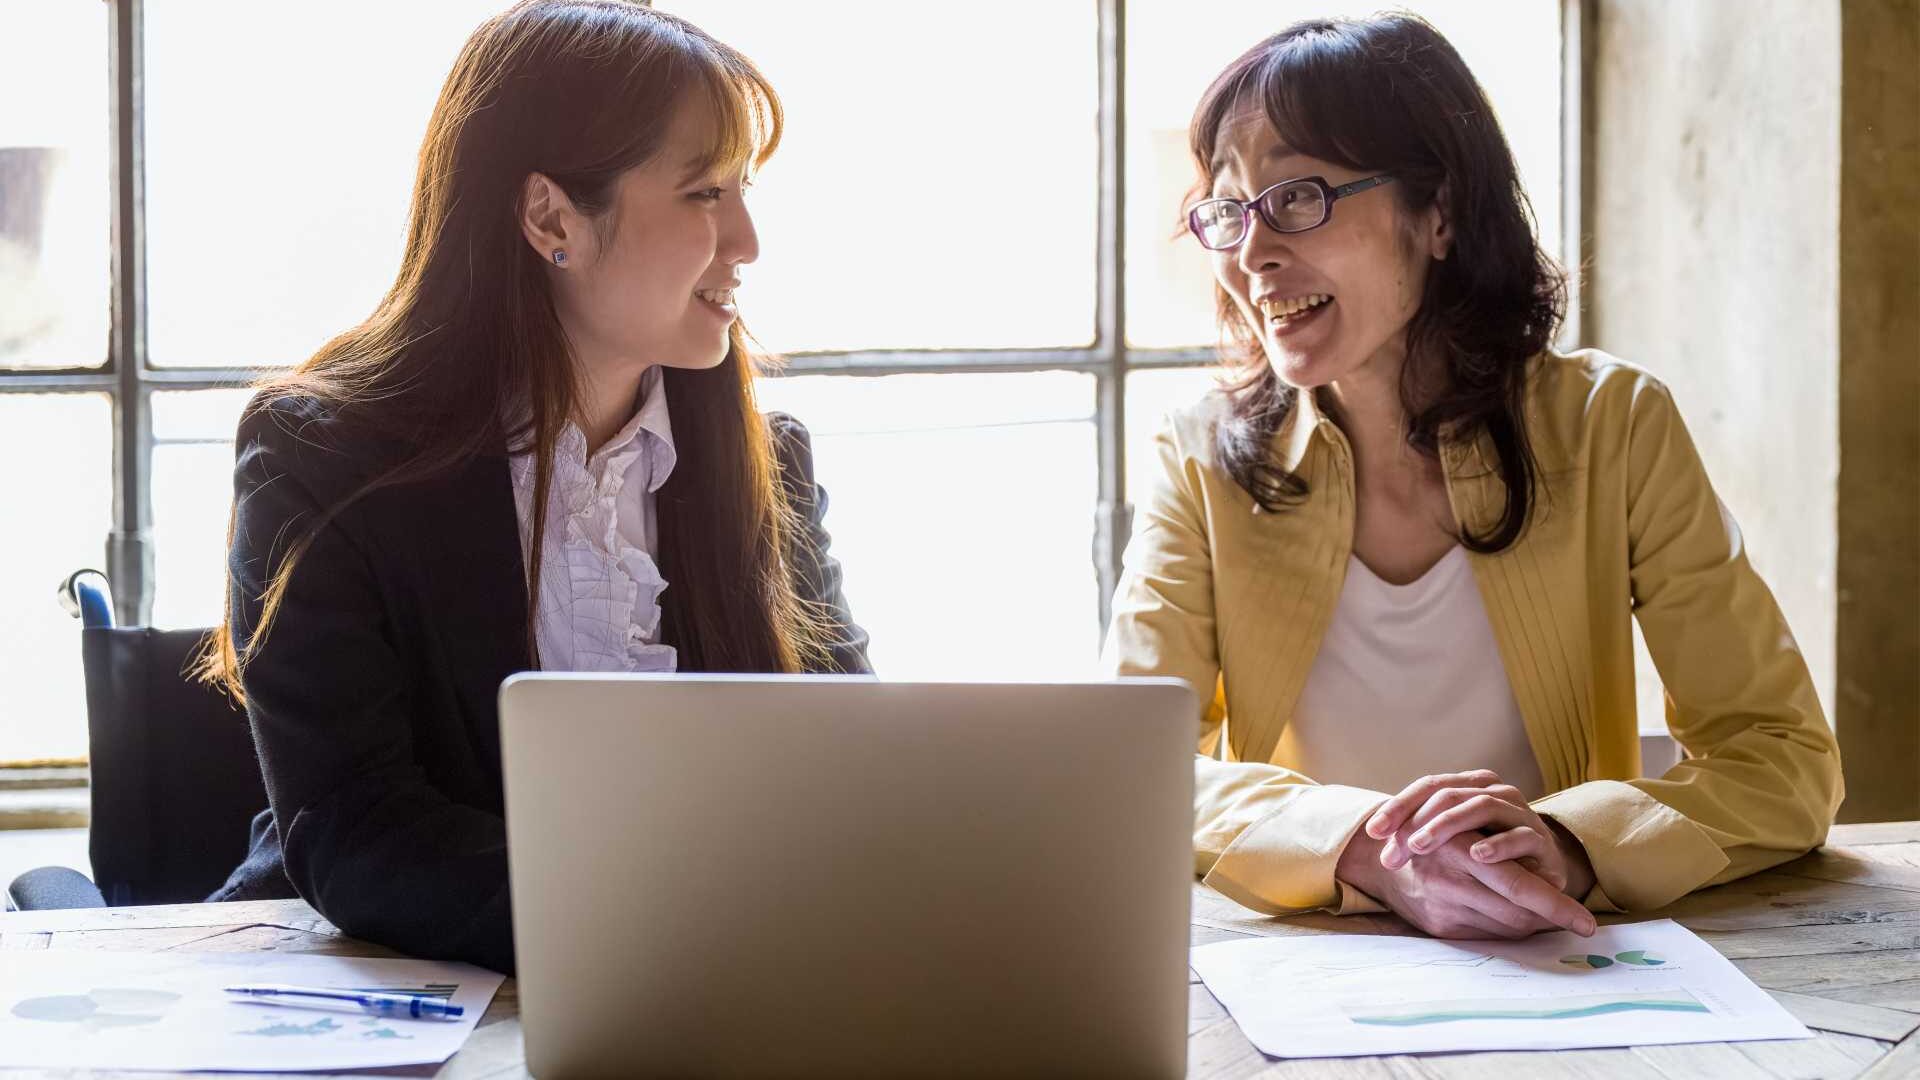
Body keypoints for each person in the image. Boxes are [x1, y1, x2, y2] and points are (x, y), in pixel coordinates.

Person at [1103, 13, 1841, 941]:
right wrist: (1366, 853)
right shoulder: (1200, 453)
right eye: (1228, 208)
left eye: (1297, 197)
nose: (1252, 254)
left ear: (1439, 212)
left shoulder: (1613, 425)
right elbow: (1131, 765)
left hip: (1564, 954)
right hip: (1312, 958)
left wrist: (1569, 844)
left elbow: (1780, 758)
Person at [198, 0, 869, 974]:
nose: (749, 240)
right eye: (704, 194)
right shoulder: (321, 458)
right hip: (389, 990)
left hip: (714, 993)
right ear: (552, 216)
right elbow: (358, 828)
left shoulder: (770, 462)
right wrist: (670, 922)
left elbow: (857, 764)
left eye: (744, 189)